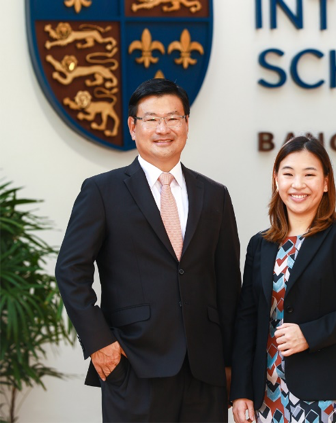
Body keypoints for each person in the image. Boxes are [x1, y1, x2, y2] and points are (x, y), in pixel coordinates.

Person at [55, 78, 241, 422]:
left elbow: (229, 285)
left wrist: (232, 363)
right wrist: (99, 343)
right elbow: (70, 271)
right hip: (134, 364)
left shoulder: (215, 195)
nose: (163, 128)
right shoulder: (102, 191)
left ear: (186, 124)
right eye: (151, 119)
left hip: (206, 371)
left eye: (173, 118)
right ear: (132, 126)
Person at [230, 135, 336, 424]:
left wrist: (309, 335)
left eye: (309, 174)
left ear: (325, 182)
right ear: (276, 180)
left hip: (324, 391)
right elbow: (247, 320)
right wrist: (240, 392)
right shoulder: (259, 245)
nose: (297, 184)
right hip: (266, 391)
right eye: (288, 174)